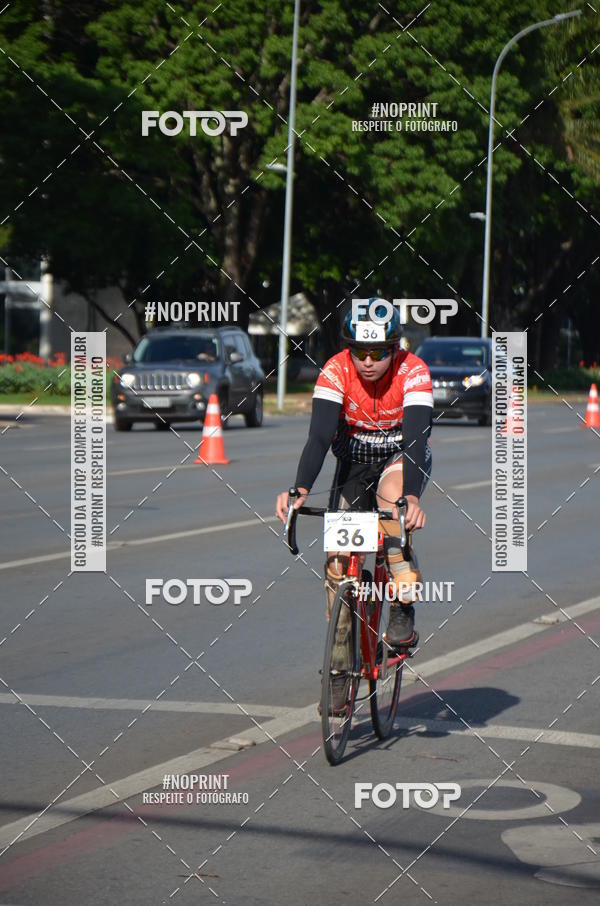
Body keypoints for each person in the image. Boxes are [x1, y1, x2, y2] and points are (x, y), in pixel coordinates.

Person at [275, 300, 433, 708]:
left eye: (377, 352)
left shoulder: (413, 371)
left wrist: (410, 498)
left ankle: (402, 606)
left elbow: (416, 440)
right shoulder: (335, 369)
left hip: (401, 459)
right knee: (338, 563)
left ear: (394, 348)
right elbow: (319, 437)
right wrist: (299, 489)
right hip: (353, 463)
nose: (367, 362)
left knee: (391, 512)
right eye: (358, 351)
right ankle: (341, 666)